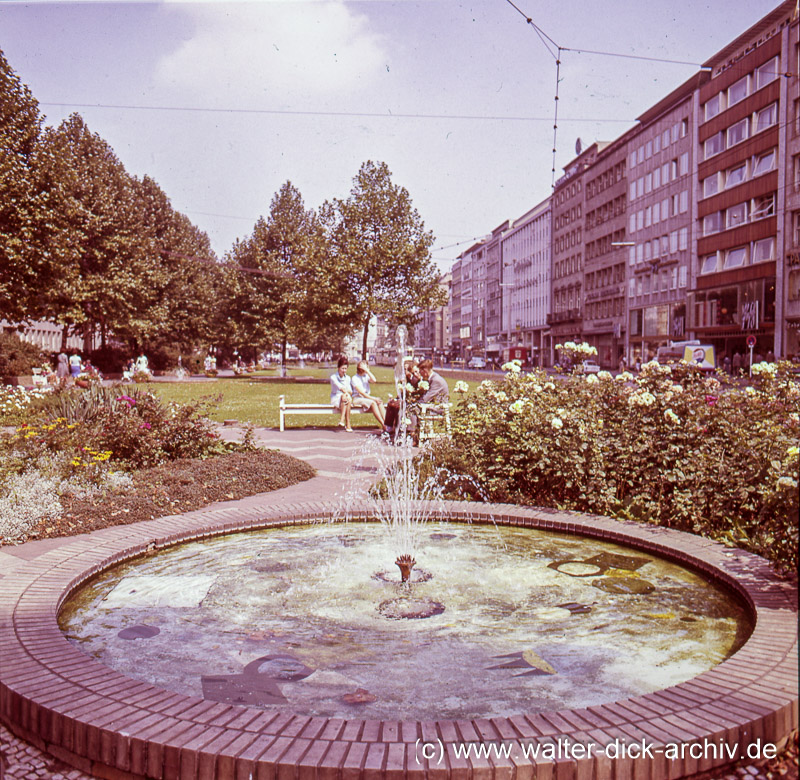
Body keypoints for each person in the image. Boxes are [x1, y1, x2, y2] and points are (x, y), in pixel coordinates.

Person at [384, 359, 420, 440]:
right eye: (404, 369)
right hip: (405, 400)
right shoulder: (405, 379)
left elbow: (415, 393)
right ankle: (389, 428)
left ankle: (399, 430)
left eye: (406, 369)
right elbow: (401, 393)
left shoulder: (415, 379)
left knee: (398, 406)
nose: (405, 371)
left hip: (412, 401)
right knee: (391, 403)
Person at [350, 360, 386, 431]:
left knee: (379, 401)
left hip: (366, 398)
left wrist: (368, 371)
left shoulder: (365, 376)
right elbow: (362, 393)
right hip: (357, 398)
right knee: (373, 403)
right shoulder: (354, 378)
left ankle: (387, 423)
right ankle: (383, 424)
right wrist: (374, 399)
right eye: (365, 368)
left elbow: (374, 380)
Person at [330, 356, 353, 432]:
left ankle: (342, 421)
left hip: (345, 398)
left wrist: (346, 393)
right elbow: (340, 388)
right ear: (338, 368)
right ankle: (347, 423)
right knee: (346, 398)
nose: (344, 371)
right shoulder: (333, 377)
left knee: (346, 398)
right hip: (336, 397)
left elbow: (350, 390)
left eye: (345, 369)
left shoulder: (348, 378)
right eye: (342, 368)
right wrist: (346, 393)